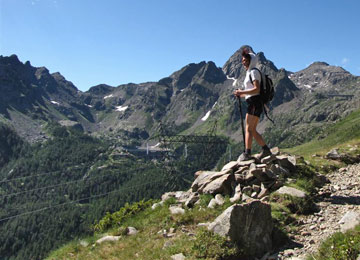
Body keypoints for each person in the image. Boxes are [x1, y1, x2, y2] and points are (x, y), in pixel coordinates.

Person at [233, 50, 271, 161]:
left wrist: (242, 93)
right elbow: (252, 90)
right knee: (252, 129)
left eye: (245, 61)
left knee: (249, 129)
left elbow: (256, 89)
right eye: (242, 60)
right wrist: (242, 93)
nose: (243, 63)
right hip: (254, 102)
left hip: (255, 102)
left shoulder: (253, 72)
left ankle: (247, 153)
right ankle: (265, 149)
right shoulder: (250, 72)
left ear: (251, 61)